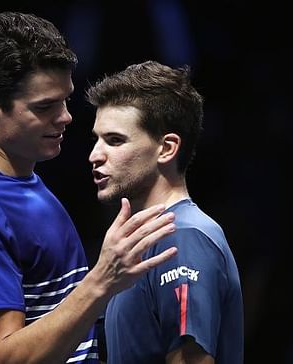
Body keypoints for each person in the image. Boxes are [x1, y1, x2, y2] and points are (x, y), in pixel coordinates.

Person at [0, 12, 178, 364]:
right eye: (45, 107)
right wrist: (101, 280)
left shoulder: (29, 185)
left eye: (65, 100)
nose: (66, 117)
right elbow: (6, 357)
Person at [86, 60, 244, 363]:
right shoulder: (142, 244)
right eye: (96, 139)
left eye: (114, 140)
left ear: (167, 148)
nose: (95, 155)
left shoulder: (182, 238)